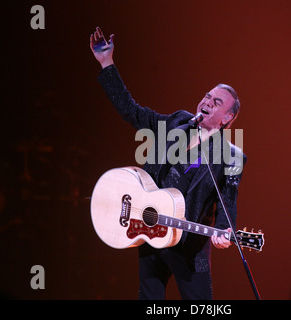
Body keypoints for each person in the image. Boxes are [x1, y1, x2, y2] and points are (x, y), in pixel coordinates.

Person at [89, 27, 246, 300]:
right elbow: (132, 111)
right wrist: (107, 63)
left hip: (188, 246)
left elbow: (227, 201)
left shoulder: (230, 156)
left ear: (226, 118)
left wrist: (225, 232)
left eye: (216, 102)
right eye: (207, 96)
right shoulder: (178, 122)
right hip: (149, 229)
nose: (207, 101)